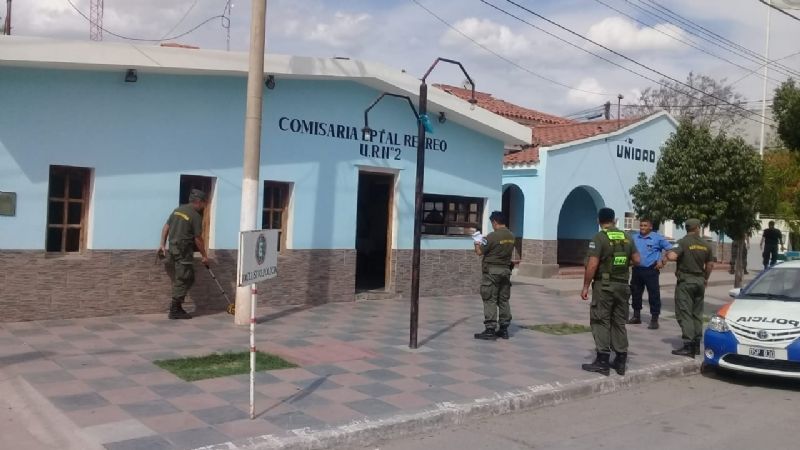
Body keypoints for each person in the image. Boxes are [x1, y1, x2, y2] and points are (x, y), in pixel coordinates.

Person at [581, 207, 640, 376]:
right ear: (614, 219)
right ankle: (621, 360)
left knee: (601, 320)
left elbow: (592, 265)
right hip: (623, 285)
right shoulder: (627, 237)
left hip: (605, 286)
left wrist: (586, 286)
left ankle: (602, 361)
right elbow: (637, 259)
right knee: (618, 322)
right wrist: (621, 266)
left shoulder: (599, 238)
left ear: (599, 221)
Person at [666, 219, 714, 358]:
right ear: (698, 228)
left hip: (686, 281)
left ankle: (688, 344)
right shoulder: (706, 244)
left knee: (684, 313)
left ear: (686, 228)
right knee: (697, 313)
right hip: (700, 281)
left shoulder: (682, 242)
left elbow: (672, 256)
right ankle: (696, 344)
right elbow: (710, 265)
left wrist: (668, 254)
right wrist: (705, 278)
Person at [159, 189, 209, 320]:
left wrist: (162, 245)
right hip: (183, 251)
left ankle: (177, 306)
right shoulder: (195, 215)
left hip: (173, 249)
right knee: (184, 278)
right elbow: (198, 238)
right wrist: (204, 255)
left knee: (187, 277)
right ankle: (175, 309)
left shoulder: (178, 210)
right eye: (204, 203)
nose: (205, 206)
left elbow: (166, 227)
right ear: (198, 202)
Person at [473, 211, 515, 340]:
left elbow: (479, 252)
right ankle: (504, 329)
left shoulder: (491, 236)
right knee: (503, 299)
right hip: (505, 272)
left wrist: (476, 241)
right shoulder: (511, 236)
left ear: (495, 222)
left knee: (490, 298)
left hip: (492, 272)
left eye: (492, 223)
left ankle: (490, 329)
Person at [628, 218, 672, 330]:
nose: (642, 227)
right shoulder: (634, 237)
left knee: (654, 294)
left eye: (645, 225)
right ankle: (636, 316)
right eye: (641, 225)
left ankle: (654, 319)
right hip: (637, 269)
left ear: (650, 227)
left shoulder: (657, 238)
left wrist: (663, 261)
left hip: (651, 270)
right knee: (636, 293)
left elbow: (670, 250)